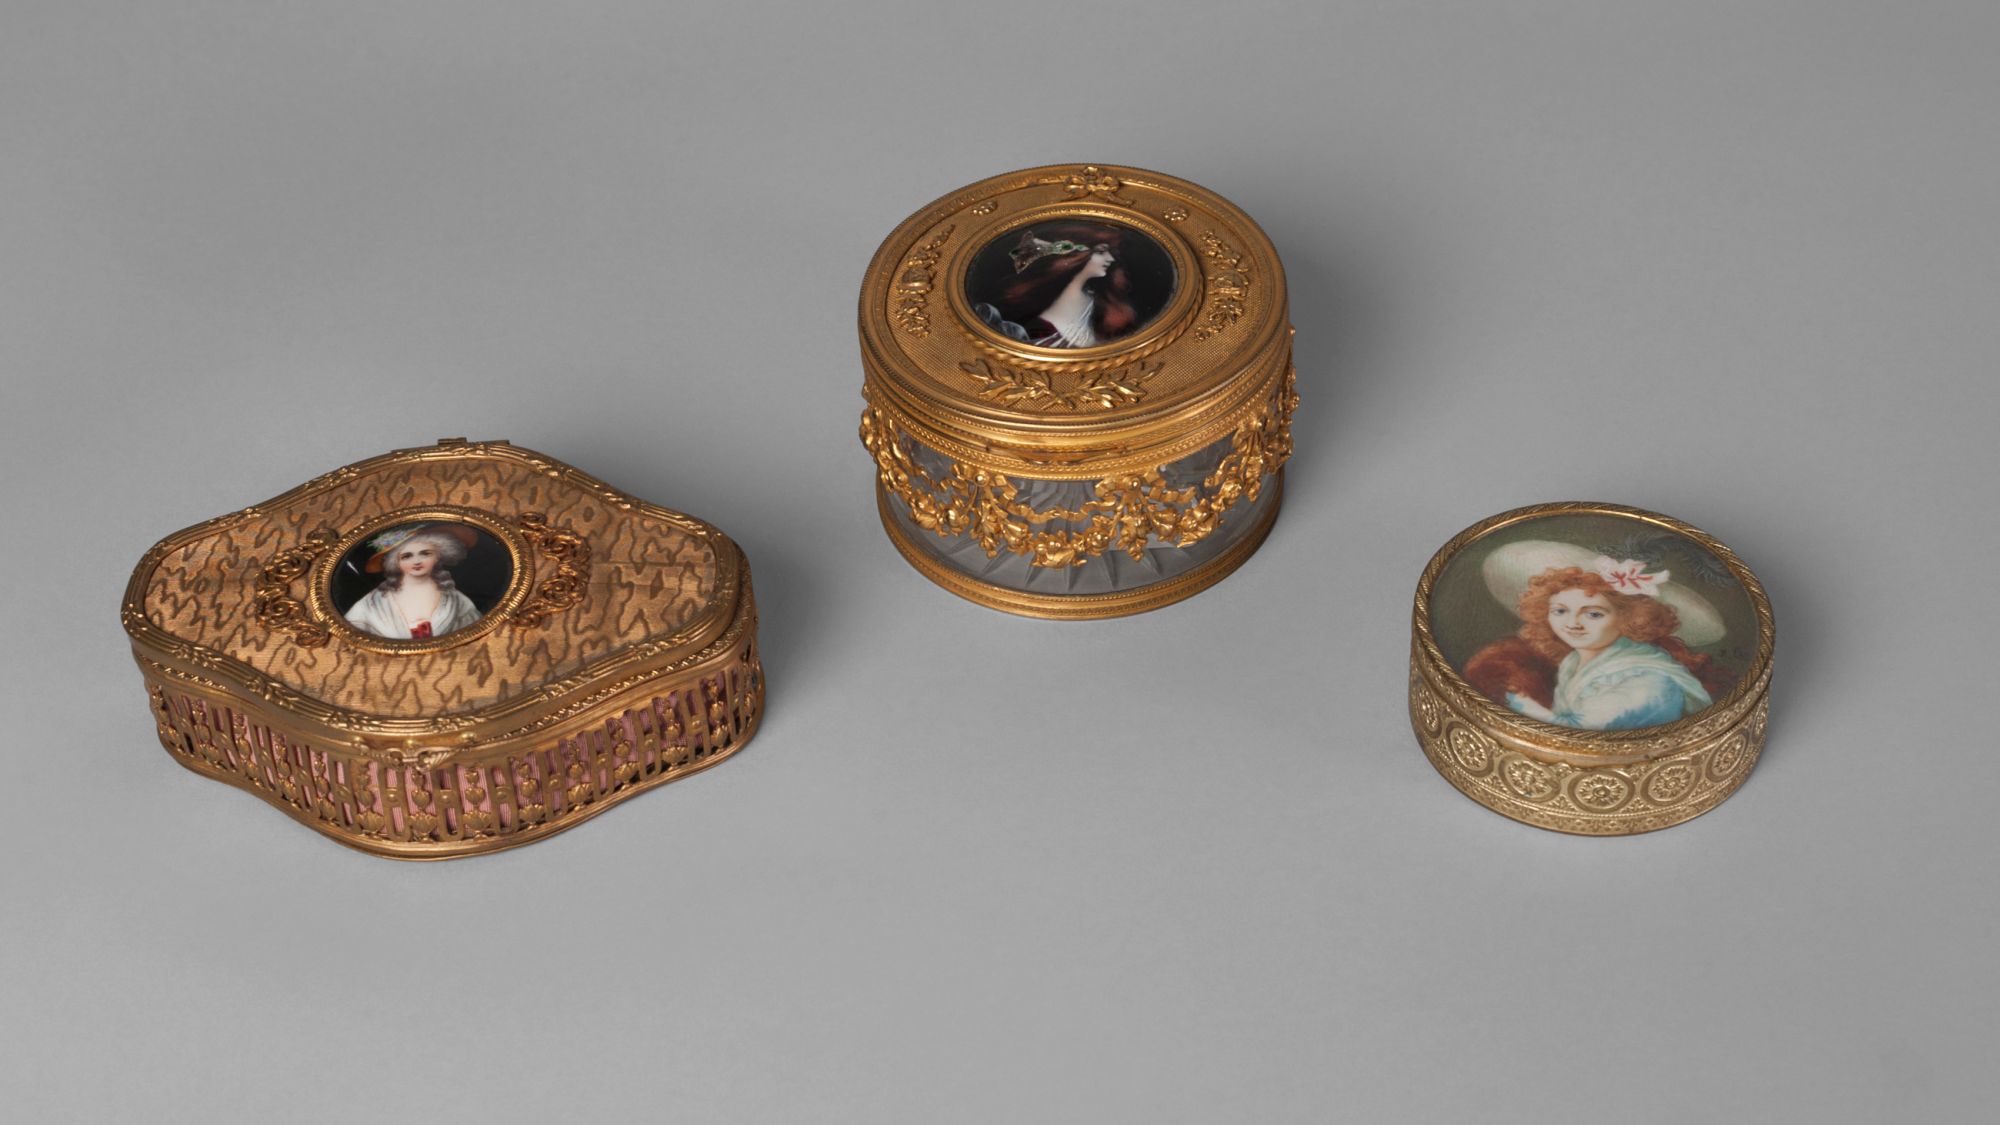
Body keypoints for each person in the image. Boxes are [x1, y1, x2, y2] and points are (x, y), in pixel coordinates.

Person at [1463, 547, 1735, 731]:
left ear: (1631, 619)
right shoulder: (1575, 662)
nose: (1571, 624)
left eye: (1592, 614)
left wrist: (1516, 699)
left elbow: (1576, 731)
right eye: (1560, 611)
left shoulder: (1648, 681)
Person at [973, 223, 1142, 348]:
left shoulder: (1098, 299)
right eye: (1100, 251)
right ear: (1074, 255)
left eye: (1110, 252)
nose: (1110, 259)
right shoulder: (1029, 326)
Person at [342, 524, 482, 640]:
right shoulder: (373, 603)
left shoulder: (455, 599)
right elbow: (349, 634)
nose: (417, 561)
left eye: (425, 553)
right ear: (395, 562)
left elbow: (476, 632)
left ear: (438, 556)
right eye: (406, 556)